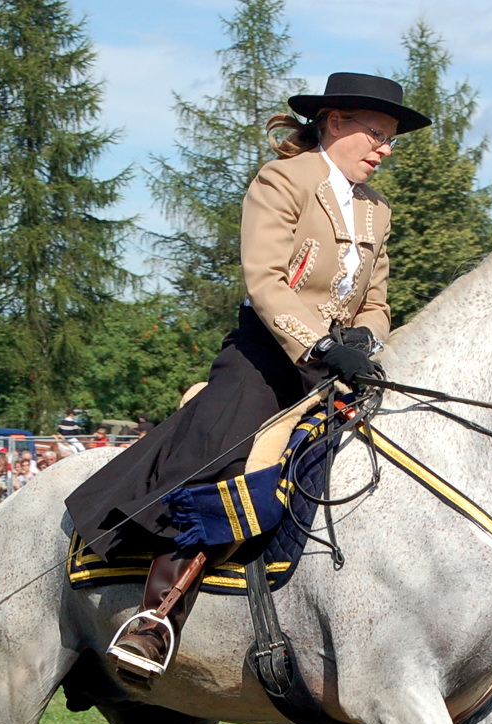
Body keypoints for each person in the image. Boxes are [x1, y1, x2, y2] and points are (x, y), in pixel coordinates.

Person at [64, 72, 428, 679]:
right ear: (334, 123)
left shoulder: (376, 211)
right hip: (266, 356)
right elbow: (265, 280)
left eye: (390, 139)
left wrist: (366, 341)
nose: (384, 150)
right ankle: (156, 618)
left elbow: (377, 299)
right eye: (377, 134)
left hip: (341, 364)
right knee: (224, 457)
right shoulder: (281, 181)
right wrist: (318, 345)